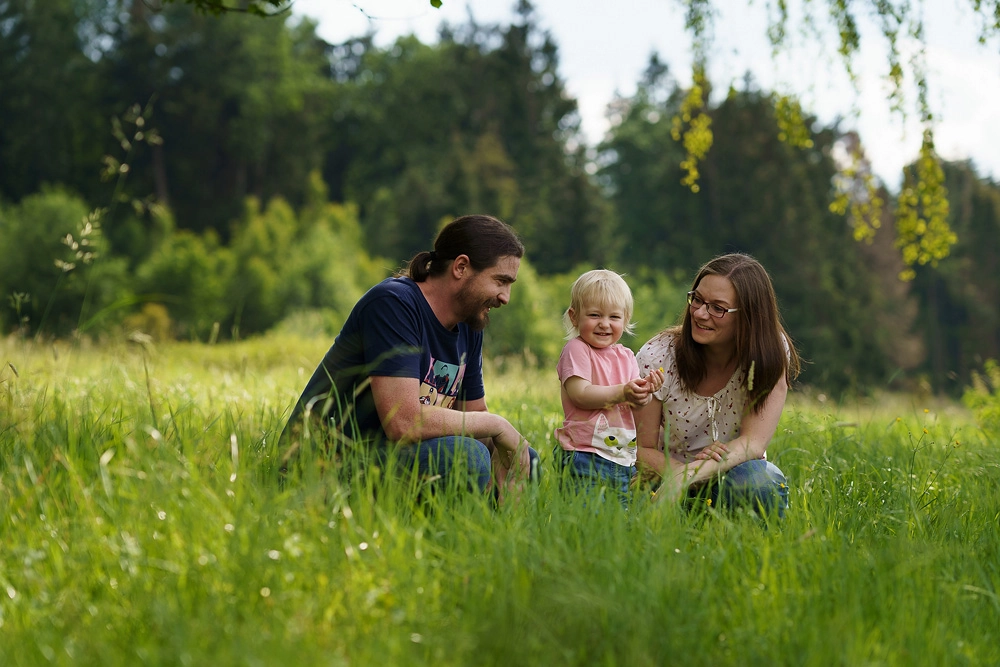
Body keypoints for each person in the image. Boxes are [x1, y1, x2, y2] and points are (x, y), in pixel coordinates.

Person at [279, 214, 537, 499]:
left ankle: (487, 530)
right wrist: (500, 426)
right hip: (325, 465)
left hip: (389, 457)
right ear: (461, 267)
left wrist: (512, 452)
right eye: (501, 281)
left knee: (526, 459)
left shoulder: (469, 324)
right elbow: (403, 422)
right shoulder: (393, 304)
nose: (505, 297)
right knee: (466, 456)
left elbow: (472, 416)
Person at [633, 253, 800, 517]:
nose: (700, 313)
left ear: (749, 317)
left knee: (761, 483)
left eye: (717, 308)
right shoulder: (658, 355)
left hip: (732, 475)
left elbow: (753, 443)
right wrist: (679, 475)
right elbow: (641, 448)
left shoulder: (770, 353)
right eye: (697, 300)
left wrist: (692, 474)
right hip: (663, 477)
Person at [554, 269, 664, 502]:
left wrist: (644, 392)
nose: (604, 324)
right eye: (595, 315)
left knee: (618, 521)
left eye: (614, 317)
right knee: (588, 515)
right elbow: (580, 394)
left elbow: (634, 406)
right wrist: (623, 391)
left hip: (622, 457)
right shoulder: (577, 349)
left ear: (625, 320)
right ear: (574, 317)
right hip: (585, 454)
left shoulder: (626, 356)